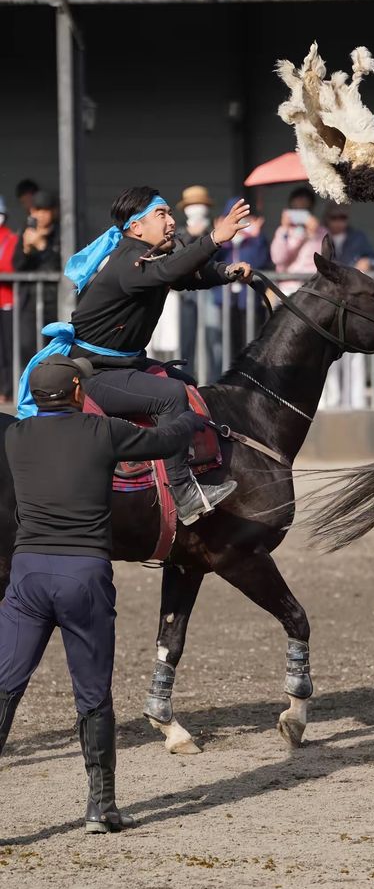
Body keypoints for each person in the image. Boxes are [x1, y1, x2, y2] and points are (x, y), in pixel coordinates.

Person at [0, 355, 207, 832]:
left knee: (5, 686)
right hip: (83, 577)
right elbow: (165, 440)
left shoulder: (16, 437)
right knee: (92, 693)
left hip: (28, 576)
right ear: (78, 391)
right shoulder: (103, 431)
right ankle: (101, 806)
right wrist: (191, 418)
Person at [18, 188, 252, 527]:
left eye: (170, 213)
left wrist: (226, 272)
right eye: (161, 214)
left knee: (187, 384)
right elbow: (170, 272)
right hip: (93, 372)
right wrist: (215, 238)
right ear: (136, 227)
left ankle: (190, 469)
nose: (171, 221)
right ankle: (184, 495)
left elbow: (187, 275)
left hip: (123, 363)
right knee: (171, 394)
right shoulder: (129, 259)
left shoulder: (150, 256)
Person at [319, 203, 374, 410]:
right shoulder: (320, 236)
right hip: (330, 303)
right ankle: (332, 401)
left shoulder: (358, 237)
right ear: (327, 218)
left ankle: (356, 401)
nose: (339, 222)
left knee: (355, 354)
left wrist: (368, 262)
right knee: (331, 354)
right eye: (334, 217)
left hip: (354, 306)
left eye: (343, 217)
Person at [213, 196, 272, 368]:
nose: (239, 223)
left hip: (250, 301)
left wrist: (256, 238)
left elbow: (259, 261)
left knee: (252, 343)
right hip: (226, 301)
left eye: (244, 218)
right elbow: (211, 260)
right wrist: (218, 237)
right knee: (229, 343)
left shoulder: (256, 240)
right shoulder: (223, 242)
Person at [12, 189, 60, 365]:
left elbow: (61, 265)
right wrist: (26, 248)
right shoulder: (27, 231)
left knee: (53, 350)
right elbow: (16, 264)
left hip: (54, 302)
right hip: (30, 302)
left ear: (53, 211)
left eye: (44, 210)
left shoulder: (61, 233)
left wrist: (42, 246)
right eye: (36, 210)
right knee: (27, 347)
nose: (39, 215)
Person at [174, 184, 216, 378]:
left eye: (200, 204)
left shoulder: (215, 231)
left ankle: (216, 379)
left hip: (211, 292)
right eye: (192, 205)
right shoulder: (180, 233)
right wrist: (192, 235)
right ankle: (186, 377)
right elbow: (177, 256)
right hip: (186, 293)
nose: (197, 209)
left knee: (214, 339)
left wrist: (208, 236)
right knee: (187, 339)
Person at [270, 186, 327, 297]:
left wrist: (314, 234)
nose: (300, 214)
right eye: (296, 209)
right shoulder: (283, 231)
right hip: (288, 289)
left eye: (304, 210)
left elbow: (324, 259)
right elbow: (278, 259)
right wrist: (285, 228)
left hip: (313, 289)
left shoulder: (321, 231)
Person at [0, 196, 18, 402]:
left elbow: (10, 266)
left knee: (7, 349)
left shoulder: (10, 238)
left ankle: (7, 389)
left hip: (7, 302)